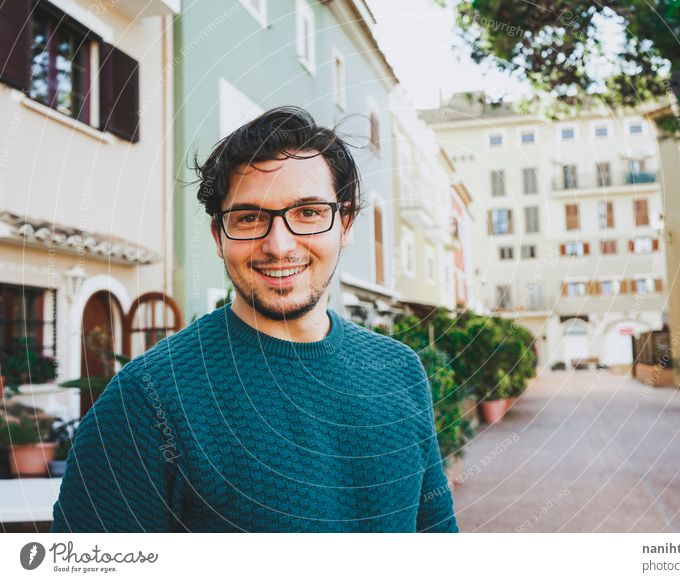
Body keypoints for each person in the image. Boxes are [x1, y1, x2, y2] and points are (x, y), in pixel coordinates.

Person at [50, 106, 458, 533]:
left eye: (308, 212)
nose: (278, 245)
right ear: (217, 236)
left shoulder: (399, 369)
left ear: (346, 222)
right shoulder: (147, 399)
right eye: (249, 218)